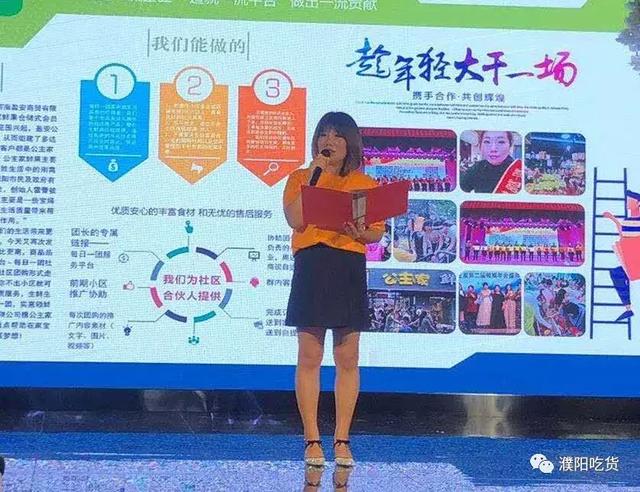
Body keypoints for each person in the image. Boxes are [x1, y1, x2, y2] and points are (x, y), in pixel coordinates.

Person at [283, 112, 385, 467]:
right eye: (323, 134)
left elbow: (375, 232)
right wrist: (315, 175)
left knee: (347, 357)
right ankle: (312, 440)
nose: (329, 141)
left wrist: (360, 232)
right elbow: (296, 219)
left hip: (347, 266)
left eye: (337, 136)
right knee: (310, 356)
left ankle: (342, 439)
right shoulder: (301, 177)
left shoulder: (364, 183)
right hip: (312, 264)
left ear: (350, 143)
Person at [604, 189, 640, 321]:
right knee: (617, 274)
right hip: (631, 258)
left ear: (638, 203)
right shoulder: (628, 221)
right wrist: (613, 219)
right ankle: (628, 309)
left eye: (630, 200)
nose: (627, 203)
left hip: (636, 257)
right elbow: (623, 235)